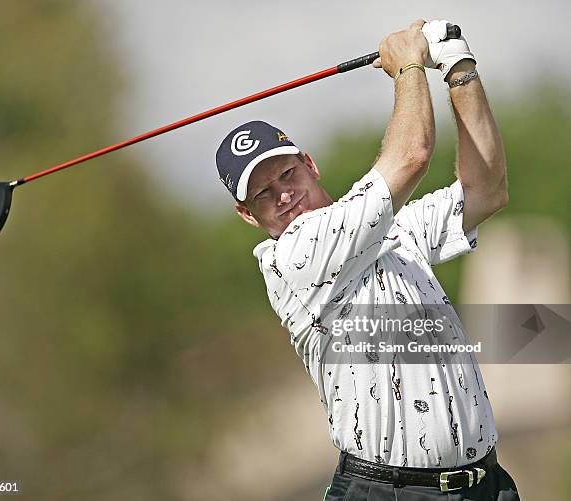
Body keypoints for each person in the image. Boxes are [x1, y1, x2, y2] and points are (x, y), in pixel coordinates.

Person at [215, 19, 519, 501]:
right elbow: (412, 155)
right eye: (263, 193)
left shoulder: (390, 227)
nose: (285, 195)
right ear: (248, 215)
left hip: (486, 486)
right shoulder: (292, 258)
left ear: (309, 164)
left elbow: (487, 190)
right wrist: (410, 67)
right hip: (387, 492)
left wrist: (459, 68)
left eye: (287, 174)